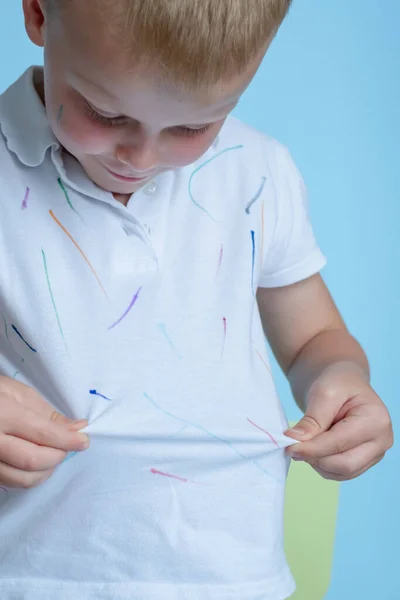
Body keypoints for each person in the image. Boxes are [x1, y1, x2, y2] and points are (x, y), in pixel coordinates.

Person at [0, 0, 393, 598]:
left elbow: (315, 338)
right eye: (105, 112)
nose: (141, 157)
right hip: (29, 574)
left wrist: (343, 381)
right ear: (38, 14)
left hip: (233, 578)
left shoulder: (258, 172)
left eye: (191, 128)